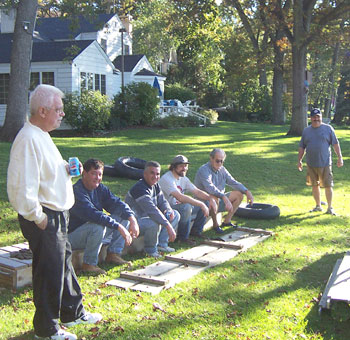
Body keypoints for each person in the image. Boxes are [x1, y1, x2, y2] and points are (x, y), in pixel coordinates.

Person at [7, 85, 101, 340]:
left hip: (57, 214)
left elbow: (45, 172)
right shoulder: (27, 139)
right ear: (42, 110)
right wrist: (38, 218)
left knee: (63, 265)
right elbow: (20, 187)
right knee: (49, 271)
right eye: (58, 110)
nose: (62, 114)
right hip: (44, 217)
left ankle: (73, 312)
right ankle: (46, 329)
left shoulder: (41, 134)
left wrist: (67, 169)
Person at [68, 158, 139, 275]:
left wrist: (132, 219)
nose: (97, 177)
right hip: (72, 236)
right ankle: (89, 264)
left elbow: (117, 203)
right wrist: (119, 227)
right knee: (97, 226)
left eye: (100, 174)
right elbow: (93, 215)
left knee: (123, 216)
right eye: (93, 174)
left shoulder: (100, 188)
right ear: (84, 174)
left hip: (90, 232)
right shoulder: (77, 191)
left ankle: (113, 254)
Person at [125, 161, 180, 257]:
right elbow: (152, 210)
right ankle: (150, 251)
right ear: (144, 174)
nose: (155, 176)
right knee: (154, 222)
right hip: (133, 224)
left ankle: (161, 245)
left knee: (175, 214)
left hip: (147, 218)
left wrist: (168, 209)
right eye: (152, 173)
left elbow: (162, 201)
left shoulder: (155, 185)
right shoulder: (139, 188)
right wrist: (168, 226)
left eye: (157, 174)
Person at [159, 155, 217, 243]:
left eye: (186, 166)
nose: (184, 168)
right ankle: (182, 238)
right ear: (174, 167)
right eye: (181, 166)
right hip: (167, 209)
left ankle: (196, 231)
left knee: (205, 202)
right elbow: (180, 197)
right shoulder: (167, 179)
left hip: (178, 206)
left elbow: (196, 191)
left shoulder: (183, 178)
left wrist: (210, 198)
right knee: (187, 207)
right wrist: (201, 204)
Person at [194, 148, 254, 234]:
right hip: (205, 202)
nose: (219, 164)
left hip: (220, 199)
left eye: (221, 161)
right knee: (214, 197)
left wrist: (247, 191)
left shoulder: (222, 169)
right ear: (211, 158)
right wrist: (223, 197)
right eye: (217, 161)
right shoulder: (204, 170)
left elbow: (233, 182)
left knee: (239, 195)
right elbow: (210, 188)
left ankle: (227, 221)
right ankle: (215, 225)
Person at [298, 107, 343, 215]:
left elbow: (335, 144)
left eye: (318, 117)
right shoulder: (306, 130)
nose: (316, 119)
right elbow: (302, 147)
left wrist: (340, 157)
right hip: (311, 163)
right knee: (314, 185)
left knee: (328, 185)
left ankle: (330, 208)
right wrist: (299, 160)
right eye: (314, 117)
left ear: (321, 118)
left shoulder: (328, 129)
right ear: (310, 118)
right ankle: (318, 206)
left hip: (325, 163)